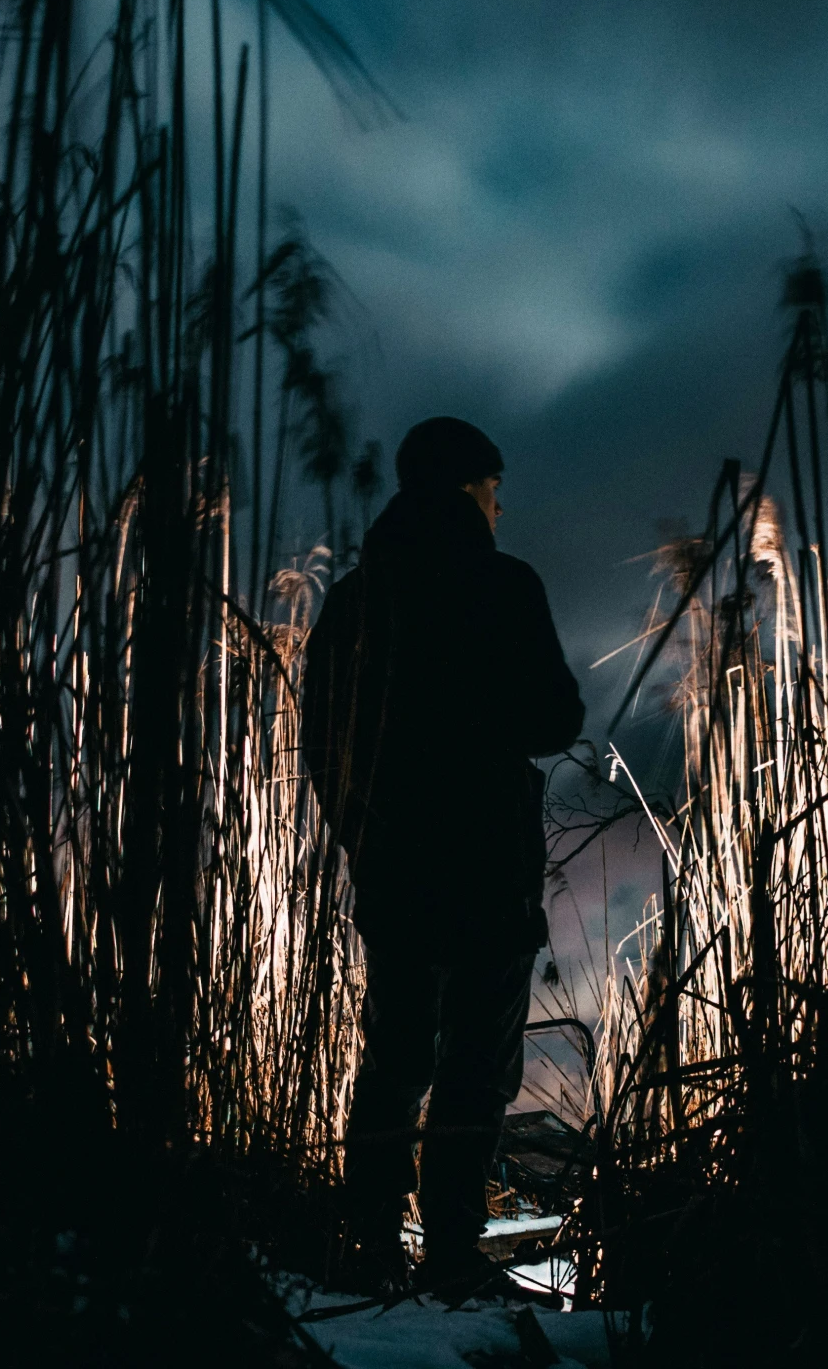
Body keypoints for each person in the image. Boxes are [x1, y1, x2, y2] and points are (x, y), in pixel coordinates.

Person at [299, 416, 585, 1299]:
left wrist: (362, 837)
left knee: (391, 1062)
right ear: (468, 489)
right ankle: (454, 1259)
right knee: (473, 1066)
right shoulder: (504, 587)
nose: (501, 507)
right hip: (488, 869)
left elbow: (321, 740)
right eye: (494, 490)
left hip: (395, 869)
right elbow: (556, 720)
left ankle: (372, 1251)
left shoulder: (355, 599)